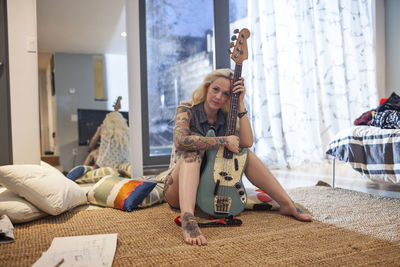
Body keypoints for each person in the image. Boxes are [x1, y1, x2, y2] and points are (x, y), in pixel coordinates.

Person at [162, 69, 312, 246]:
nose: (219, 97)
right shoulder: (187, 108)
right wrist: (223, 140)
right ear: (207, 87)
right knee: (191, 152)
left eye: (226, 94)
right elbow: (181, 141)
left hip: (211, 190)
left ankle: (286, 203)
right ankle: (188, 217)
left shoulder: (226, 116)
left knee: (246, 153)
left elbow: (247, 142)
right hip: (178, 190)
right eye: (215, 89)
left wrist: (240, 104)